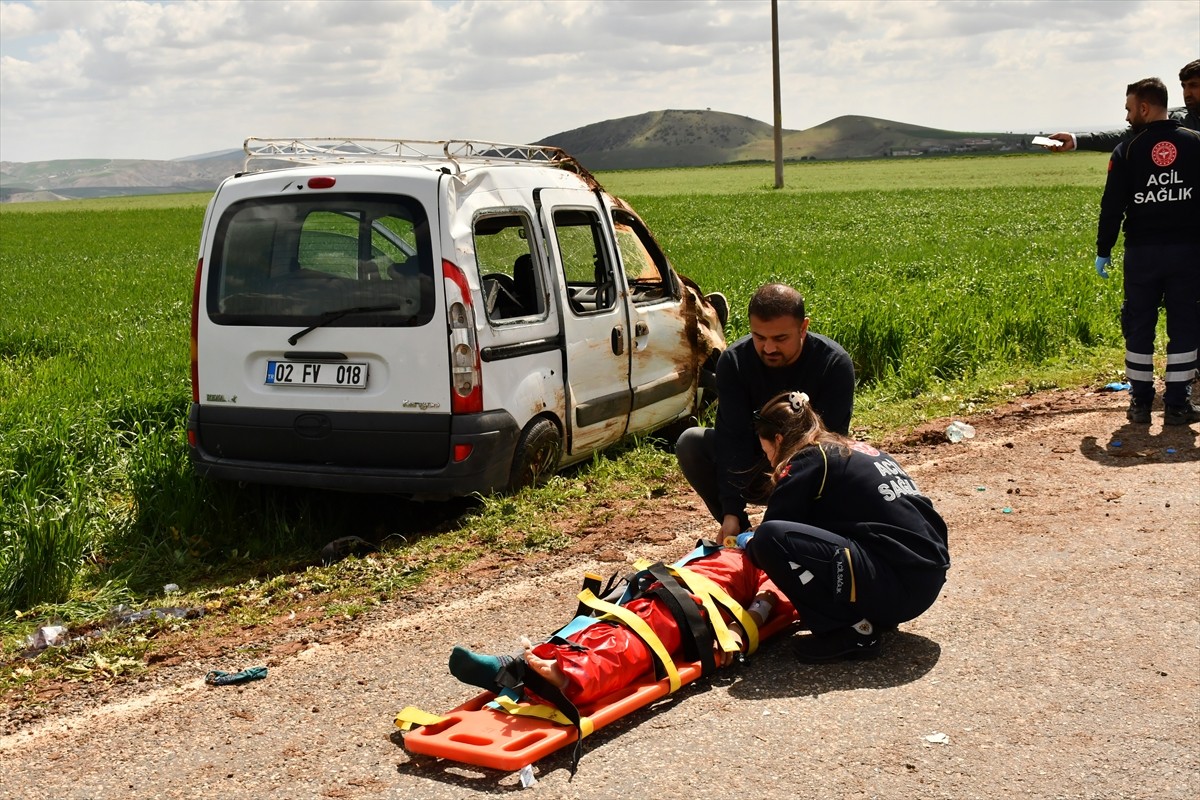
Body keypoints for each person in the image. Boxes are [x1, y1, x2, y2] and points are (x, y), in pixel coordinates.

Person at [743, 391, 950, 662]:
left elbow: (769, 540)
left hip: (900, 587)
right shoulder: (854, 450)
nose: (769, 459)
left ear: (779, 440)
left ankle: (854, 631)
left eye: (766, 450)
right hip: (925, 579)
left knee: (769, 539)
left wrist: (746, 542)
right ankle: (867, 615)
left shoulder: (807, 459)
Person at [447, 546, 795, 706]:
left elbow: (768, 601)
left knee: (632, 643)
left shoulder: (773, 568)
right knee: (600, 626)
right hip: (656, 592)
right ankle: (512, 667)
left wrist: (735, 633)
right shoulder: (725, 548)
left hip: (691, 611)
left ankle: (567, 674)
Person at [675, 283, 855, 542]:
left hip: (812, 472)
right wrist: (731, 512)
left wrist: (784, 516)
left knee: (842, 462)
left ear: (803, 328)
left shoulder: (833, 364)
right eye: (759, 337)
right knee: (691, 444)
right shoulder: (735, 363)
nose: (769, 348)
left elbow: (831, 446)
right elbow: (731, 439)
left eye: (780, 338)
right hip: (757, 468)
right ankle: (743, 534)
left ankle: (806, 527)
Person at [1095, 77, 1200, 425]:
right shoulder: (1195, 144)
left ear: (1143, 107)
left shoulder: (1127, 150)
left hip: (1142, 254)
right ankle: (1177, 406)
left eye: (1128, 108)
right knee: (1184, 325)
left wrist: (1104, 249)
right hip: (1188, 252)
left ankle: (1140, 404)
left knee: (1139, 324)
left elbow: (1112, 207)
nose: (1126, 117)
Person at [1043, 60, 1200, 151]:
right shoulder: (1173, 120)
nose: (1186, 93)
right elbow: (1125, 136)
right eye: (1184, 86)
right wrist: (1076, 139)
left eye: (1193, 85)